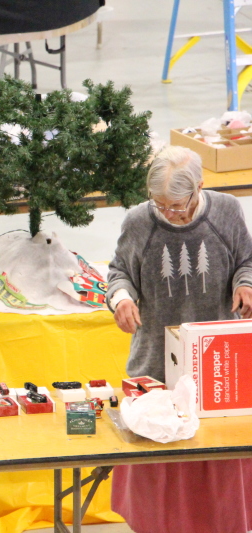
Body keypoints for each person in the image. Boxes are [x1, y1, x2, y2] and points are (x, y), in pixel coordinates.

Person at [107, 145, 252, 533]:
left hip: (217, 366)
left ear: (199, 187)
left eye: (176, 206)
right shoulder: (139, 221)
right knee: (161, 483)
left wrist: (245, 284)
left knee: (219, 474)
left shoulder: (226, 211)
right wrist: (121, 299)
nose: (168, 213)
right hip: (156, 365)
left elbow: (247, 260)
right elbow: (119, 273)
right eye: (160, 204)